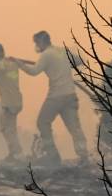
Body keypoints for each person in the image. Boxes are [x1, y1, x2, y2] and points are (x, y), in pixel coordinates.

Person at [13, 31, 88, 165]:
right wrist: (63, 67)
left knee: (42, 122)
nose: (36, 46)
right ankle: (84, 156)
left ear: (41, 42)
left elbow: (33, 71)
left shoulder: (46, 55)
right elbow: (79, 61)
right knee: (75, 128)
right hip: (70, 95)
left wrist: (20, 64)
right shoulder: (62, 51)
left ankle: (52, 155)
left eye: (36, 43)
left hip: (56, 97)